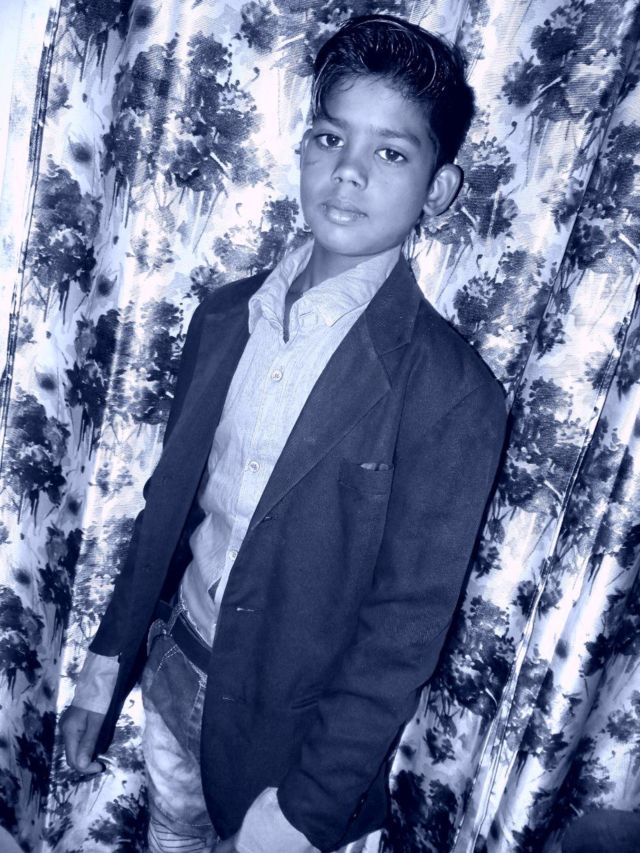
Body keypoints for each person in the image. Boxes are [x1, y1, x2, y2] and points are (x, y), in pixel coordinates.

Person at [61, 14, 507, 853]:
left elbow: (403, 631)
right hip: (174, 681)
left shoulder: (455, 393)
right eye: (330, 138)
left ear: (439, 188)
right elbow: (166, 512)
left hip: (297, 756)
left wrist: (306, 809)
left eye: (391, 153)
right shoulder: (225, 315)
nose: (348, 172)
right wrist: (104, 669)